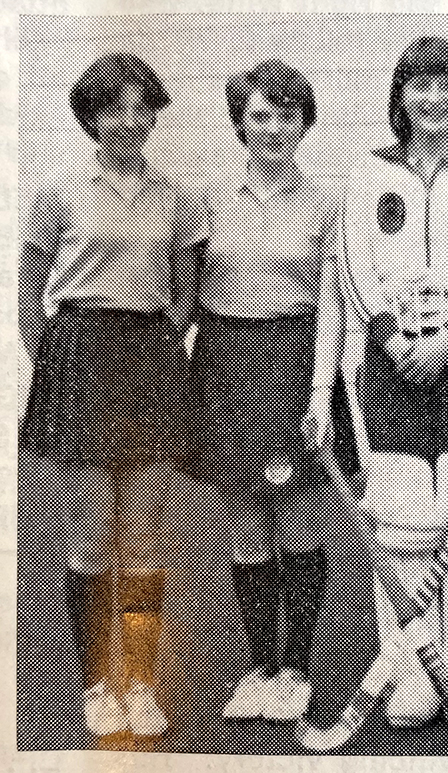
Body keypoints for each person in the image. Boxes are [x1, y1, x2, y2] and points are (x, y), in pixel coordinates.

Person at [328, 37, 448, 729]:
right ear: (400, 94)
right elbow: (354, 262)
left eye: (447, 85)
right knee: (405, 522)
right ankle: (414, 674)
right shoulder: (367, 171)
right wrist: (390, 338)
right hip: (390, 363)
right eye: (420, 85)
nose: (433, 99)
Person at [19, 53, 205, 737]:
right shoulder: (58, 189)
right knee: (92, 536)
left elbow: (185, 294)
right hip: (80, 360)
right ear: (90, 117)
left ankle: (144, 683)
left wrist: (153, 353)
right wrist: (60, 371)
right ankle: (99, 680)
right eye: (113, 109)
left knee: (146, 536)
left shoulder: (176, 195)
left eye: (141, 107)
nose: (129, 121)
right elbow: (29, 296)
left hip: (149, 362)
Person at [187, 60, 360, 723]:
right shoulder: (208, 198)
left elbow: (330, 308)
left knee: (298, 521)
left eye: (288, 115)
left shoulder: (325, 203)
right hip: (227, 365)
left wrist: (319, 393)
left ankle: (297, 669)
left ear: (304, 123)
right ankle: (259, 668)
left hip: (294, 363)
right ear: (240, 121)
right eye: (261, 115)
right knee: (247, 527)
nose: (274, 128)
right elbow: (186, 292)